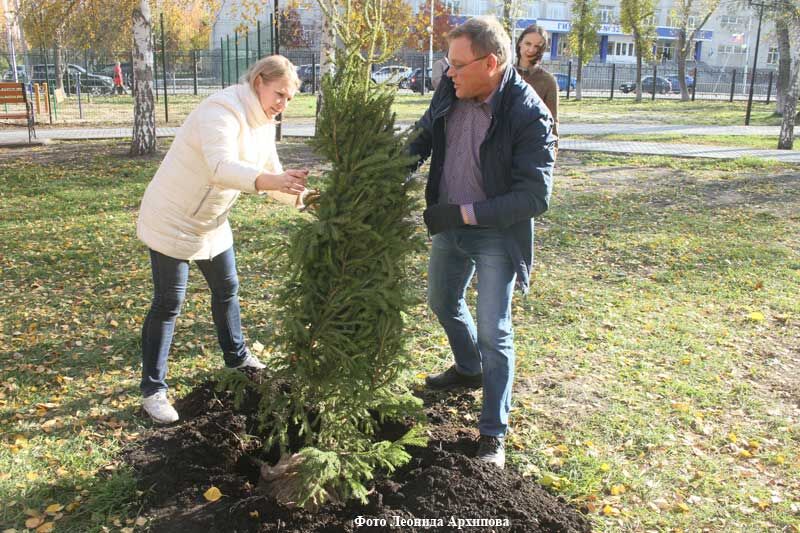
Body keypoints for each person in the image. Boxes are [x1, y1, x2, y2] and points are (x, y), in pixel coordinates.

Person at [409, 16, 556, 469]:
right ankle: (468, 369)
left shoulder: (528, 113)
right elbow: (424, 134)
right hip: (449, 225)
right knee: (441, 300)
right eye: (446, 65)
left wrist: (465, 213)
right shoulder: (452, 89)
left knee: (495, 333)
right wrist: (387, 170)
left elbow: (534, 196)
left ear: (490, 63)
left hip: (495, 234)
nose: (448, 74)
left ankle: (492, 434)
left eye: (457, 65)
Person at [136, 55, 314, 424]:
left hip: (211, 223)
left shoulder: (264, 122)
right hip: (172, 218)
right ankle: (153, 390)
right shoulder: (221, 109)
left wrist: (307, 200)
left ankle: (237, 358)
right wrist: (272, 181)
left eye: (289, 99)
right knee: (169, 302)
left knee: (228, 287)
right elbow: (221, 168)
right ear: (259, 81)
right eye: (279, 93)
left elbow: (272, 176)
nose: (282, 104)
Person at [515, 25, 559, 140]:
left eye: (537, 46)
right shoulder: (504, 75)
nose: (531, 50)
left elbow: (552, 121)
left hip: (533, 145)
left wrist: (552, 152)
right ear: (520, 43)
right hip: (504, 146)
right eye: (528, 43)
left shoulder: (548, 81)